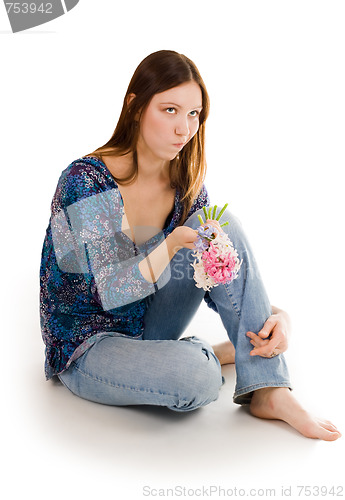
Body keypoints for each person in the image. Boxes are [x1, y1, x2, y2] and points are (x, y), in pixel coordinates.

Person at [40, 49, 340, 441]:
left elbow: (218, 280)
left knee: (221, 223)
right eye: (169, 110)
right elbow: (111, 293)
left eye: (194, 114)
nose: (184, 129)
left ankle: (268, 387)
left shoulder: (183, 184)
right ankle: (206, 355)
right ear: (134, 106)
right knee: (197, 379)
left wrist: (277, 316)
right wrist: (173, 244)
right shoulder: (85, 181)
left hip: (150, 322)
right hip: (89, 345)